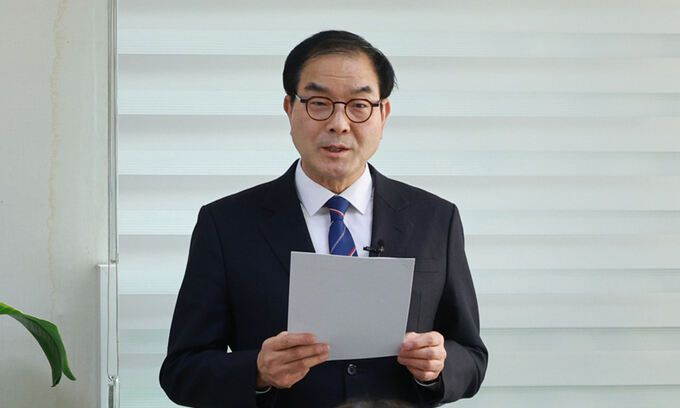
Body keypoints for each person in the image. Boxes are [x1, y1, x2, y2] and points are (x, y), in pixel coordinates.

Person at [159, 30, 488, 408]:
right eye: (319, 103)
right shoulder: (226, 224)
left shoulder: (436, 219)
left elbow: (472, 357)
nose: (339, 123)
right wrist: (258, 371)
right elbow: (182, 371)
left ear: (383, 114)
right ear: (289, 108)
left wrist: (438, 366)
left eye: (359, 105)